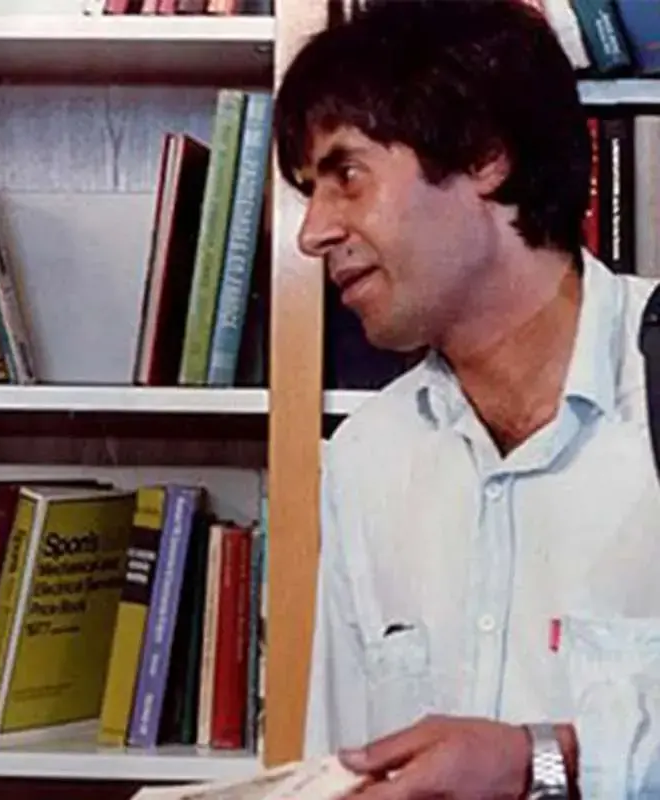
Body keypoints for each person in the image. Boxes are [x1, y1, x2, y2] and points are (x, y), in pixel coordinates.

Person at [273, 1, 660, 798]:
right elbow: (343, 769)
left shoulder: (648, 383)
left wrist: (542, 763)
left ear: (486, 155)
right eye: (310, 192)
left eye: (347, 177)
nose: (312, 233)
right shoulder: (366, 457)